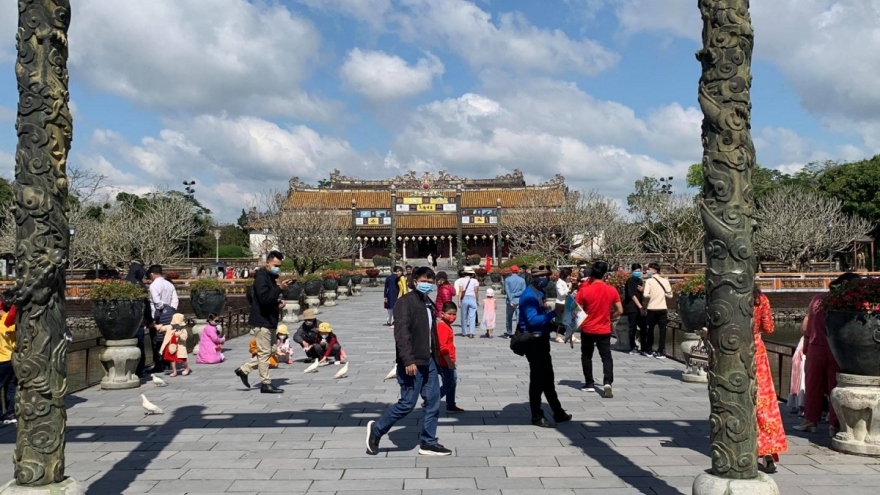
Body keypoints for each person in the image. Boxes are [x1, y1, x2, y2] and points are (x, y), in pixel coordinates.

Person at [366, 266, 451, 457]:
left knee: (433, 402)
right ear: (414, 282)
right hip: (412, 361)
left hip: (428, 360)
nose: (428, 285)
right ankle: (377, 429)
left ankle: (429, 441)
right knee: (407, 404)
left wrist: (438, 359)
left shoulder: (428, 303)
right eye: (424, 282)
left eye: (431, 282)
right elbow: (401, 334)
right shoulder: (405, 303)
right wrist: (407, 359)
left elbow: (431, 334)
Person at [795, 272, 859, 435]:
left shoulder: (819, 298)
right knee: (834, 387)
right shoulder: (849, 301)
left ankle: (811, 420)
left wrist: (807, 345)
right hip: (837, 349)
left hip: (816, 346)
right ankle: (834, 424)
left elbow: (808, 325)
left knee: (813, 385)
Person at [519, 264, 571, 428]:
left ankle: (558, 411)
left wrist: (557, 326)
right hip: (534, 342)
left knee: (548, 379)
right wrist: (554, 313)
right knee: (537, 380)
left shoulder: (539, 292)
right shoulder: (529, 296)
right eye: (543, 276)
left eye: (548, 276)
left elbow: (542, 318)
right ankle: (536, 416)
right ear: (534, 277)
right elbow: (533, 320)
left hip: (542, 339)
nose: (546, 279)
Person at [235, 250, 291, 394]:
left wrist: (278, 302)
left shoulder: (271, 277)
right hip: (262, 321)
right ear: (268, 263)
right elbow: (264, 298)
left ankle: (244, 369)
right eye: (275, 265)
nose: (277, 268)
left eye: (279, 266)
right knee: (265, 352)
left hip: (270, 320)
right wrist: (279, 288)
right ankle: (266, 383)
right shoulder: (261, 278)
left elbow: (268, 299)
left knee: (271, 351)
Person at [752, 287, 788, 473]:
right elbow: (769, 328)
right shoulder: (760, 299)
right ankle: (768, 447)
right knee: (764, 402)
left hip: (731, 352)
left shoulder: (728, 295)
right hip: (756, 350)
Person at [575, 261, 622, 398]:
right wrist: (610, 317)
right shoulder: (611, 290)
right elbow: (620, 310)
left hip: (588, 328)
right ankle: (608, 381)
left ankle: (589, 383)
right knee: (606, 356)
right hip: (604, 328)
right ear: (605, 274)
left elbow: (576, 311)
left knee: (586, 356)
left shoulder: (584, 291)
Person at [437, 301, 464, 413]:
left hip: (449, 360)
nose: (452, 317)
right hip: (445, 362)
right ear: (442, 313)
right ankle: (431, 401)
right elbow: (442, 347)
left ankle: (451, 405)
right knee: (449, 383)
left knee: (452, 382)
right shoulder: (442, 327)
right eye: (450, 314)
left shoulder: (447, 326)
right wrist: (449, 362)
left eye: (454, 314)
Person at [641, 262, 672, 359]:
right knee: (662, 330)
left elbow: (645, 295)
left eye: (648, 269)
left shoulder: (649, 281)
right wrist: (661, 295)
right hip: (663, 308)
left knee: (650, 329)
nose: (647, 271)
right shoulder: (665, 281)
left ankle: (649, 350)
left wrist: (652, 295)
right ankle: (661, 351)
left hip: (652, 308)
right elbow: (670, 295)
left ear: (653, 270)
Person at [0, 291, 16, 424]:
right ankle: (11, 413)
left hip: (2, 359)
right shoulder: (11, 321)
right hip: (12, 358)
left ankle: (1, 414)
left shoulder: (3, 321)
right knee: (11, 386)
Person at [623, 264, 646, 355]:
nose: (638, 272)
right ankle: (632, 346)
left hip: (640, 306)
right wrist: (640, 307)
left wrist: (643, 290)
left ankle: (644, 346)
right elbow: (632, 295)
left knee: (643, 327)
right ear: (632, 271)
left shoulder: (640, 281)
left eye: (639, 271)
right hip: (632, 307)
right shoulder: (630, 281)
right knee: (632, 327)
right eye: (636, 271)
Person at [455, 267, 479, 339]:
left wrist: (459, 300)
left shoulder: (461, 280)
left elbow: (460, 291)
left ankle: (464, 332)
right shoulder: (475, 281)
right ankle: (471, 332)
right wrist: (477, 300)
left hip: (464, 298)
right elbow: (476, 291)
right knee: (472, 316)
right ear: (471, 274)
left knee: (463, 316)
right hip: (472, 298)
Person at [503, 266, 526, 339]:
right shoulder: (522, 280)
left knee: (509, 317)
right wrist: (515, 294)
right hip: (518, 300)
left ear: (511, 271)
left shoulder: (507, 279)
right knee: (518, 317)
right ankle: (519, 332)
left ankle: (509, 332)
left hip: (510, 300)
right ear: (517, 271)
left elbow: (507, 290)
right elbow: (523, 291)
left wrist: (511, 298)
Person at [787, 336, 806, 416]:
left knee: (798, 379)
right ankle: (801, 406)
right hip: (803, 353)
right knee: (802, 380)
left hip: (800, 352)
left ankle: (796, 404)